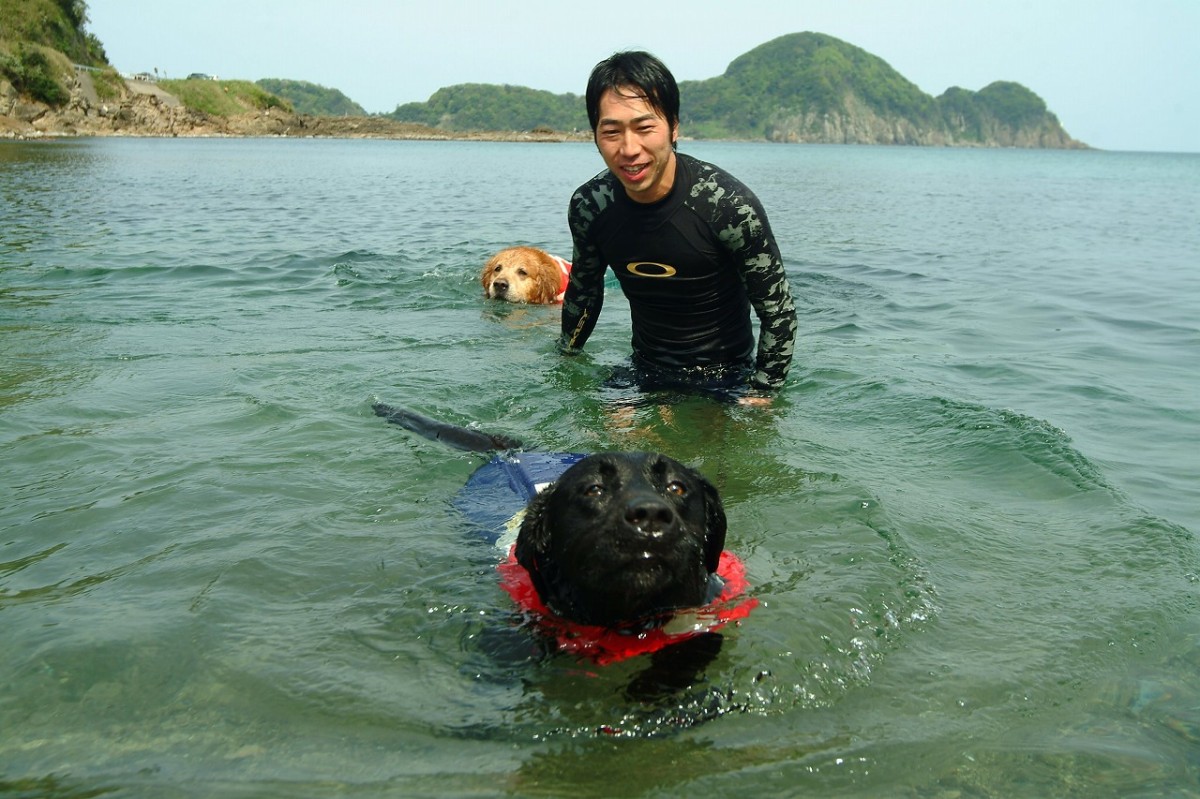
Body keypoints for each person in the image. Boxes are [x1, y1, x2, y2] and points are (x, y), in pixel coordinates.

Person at [559, 50, 797, 401]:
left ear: (673, 126)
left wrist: (762, 395)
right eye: (611, 131)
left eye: (644, 128)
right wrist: (565, 359)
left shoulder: (727, 206)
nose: (629, 148)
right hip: (642, 369)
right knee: (603, 443)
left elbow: (778, 310)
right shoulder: (591, 206)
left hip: (724, 376)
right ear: (595, 134)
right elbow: (584, 291)